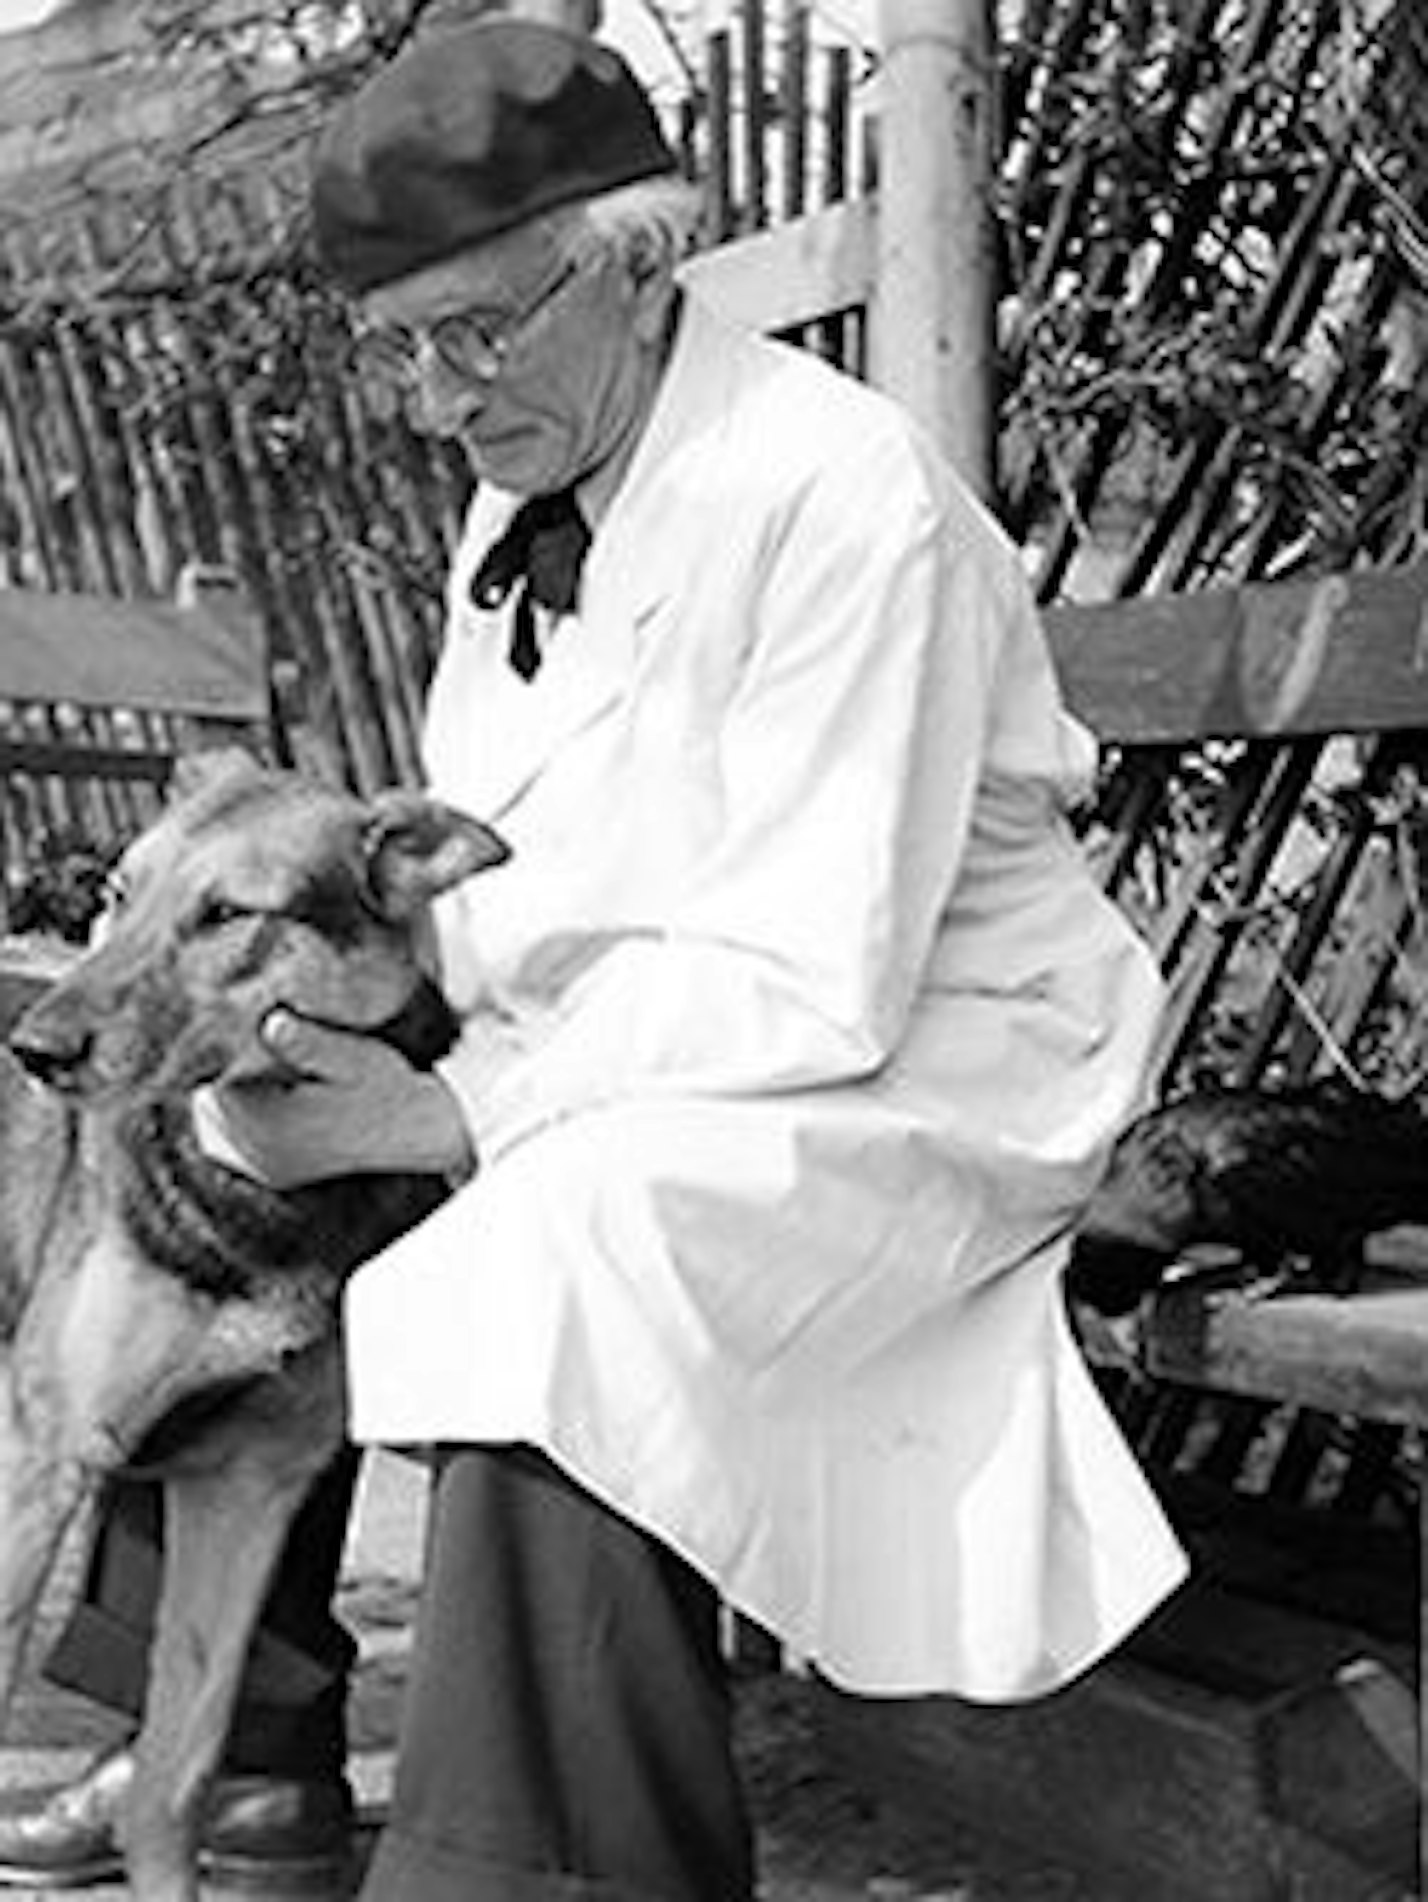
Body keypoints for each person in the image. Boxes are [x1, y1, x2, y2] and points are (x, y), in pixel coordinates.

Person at [0, 14, 1190, 1901]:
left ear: (637, 262)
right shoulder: (544, 466)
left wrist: (453, 1102)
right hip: (629, 1028)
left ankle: (535, 1866)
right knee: (229, 1122)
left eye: (478, 329)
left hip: (919, 1059)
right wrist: (332, 1040)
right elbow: (529, 860)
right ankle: (250, 1753)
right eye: (403, 350)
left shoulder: (838, 498)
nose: (442, 397)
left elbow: (814, 975)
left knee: (563, 1244)